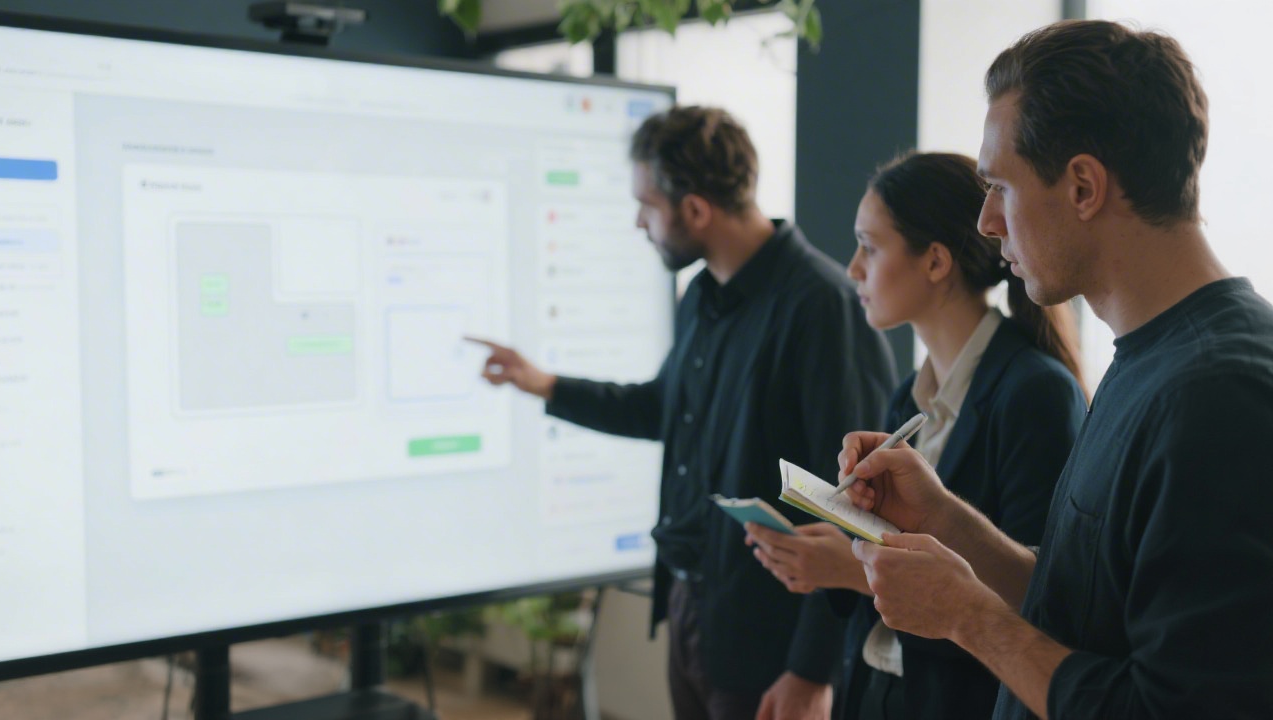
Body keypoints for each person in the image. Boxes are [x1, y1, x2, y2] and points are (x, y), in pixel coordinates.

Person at [837, 20, 1273, 719]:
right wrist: (948, 523)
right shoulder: (1152, 360)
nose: (986, 222)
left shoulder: (1219, 397)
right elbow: (1091, 606)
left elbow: (1175, 706)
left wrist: (969, 619)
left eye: (1000, 188)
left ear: (1082, 187)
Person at [470, 105, 896, 720]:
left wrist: (811, 672)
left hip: (770, 643)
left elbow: (856, 502)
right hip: (695, 616)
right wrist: (542, 383)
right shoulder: (701, 296)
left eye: (646, 206)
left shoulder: (821, 307)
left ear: (695, 209)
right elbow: (660, 409)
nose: (638, 222)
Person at [746, 151, 1087, 720]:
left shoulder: (1034, 392)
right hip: (878, 690)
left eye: (870, 247)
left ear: (934, 262)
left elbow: (1043, 599)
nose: (852, 268)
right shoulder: (908, 396)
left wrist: (854, 570)